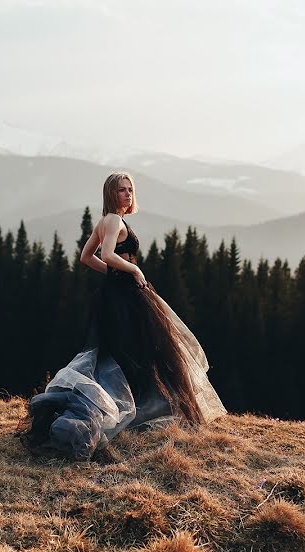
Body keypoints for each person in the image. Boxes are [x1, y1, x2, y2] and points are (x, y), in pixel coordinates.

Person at [19, 172, 226, 460]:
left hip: (114, 295)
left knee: (120, 354)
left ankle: (126, 407)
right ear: (110, 194)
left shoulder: (104, 221)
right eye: (121, 190)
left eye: (130, 189)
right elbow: (105, 255)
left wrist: (115, 274)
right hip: (124, 298)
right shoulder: (114, 220)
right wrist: (133, 270)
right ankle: (137, 410)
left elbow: (85, 257)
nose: (127, 194)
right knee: (144, 352)